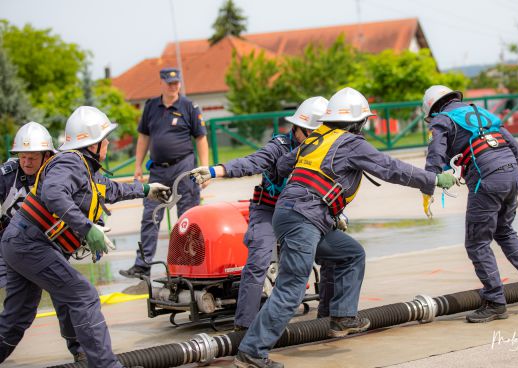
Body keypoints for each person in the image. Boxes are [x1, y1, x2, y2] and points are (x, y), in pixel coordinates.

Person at [232, 87, 458, 368]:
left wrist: (297, 187)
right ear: (357, 122)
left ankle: (342, 317)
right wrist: (434, 180)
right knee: (290, 289)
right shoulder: (351, 143)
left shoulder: (315, 139)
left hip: (295, 214)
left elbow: (282, 164)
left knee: (351, 254)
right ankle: (251, 351)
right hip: (304, 218)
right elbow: (391, 168)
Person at [0, 106, 170, 367]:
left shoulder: (84, 169)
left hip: (21, 244)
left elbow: (110, 188)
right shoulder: (69, 162)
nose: (109, 144)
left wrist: (146, 189)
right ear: (94, 144)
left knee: (16, 319)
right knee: (83, 295)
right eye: (105, 140)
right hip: (29, 244)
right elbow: (54, 193)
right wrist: (87, 228)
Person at [191, 96, 339, 332]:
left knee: (334, 254)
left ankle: (327, 317)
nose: (313, 138)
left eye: (317, 132)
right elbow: (253, 162)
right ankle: (245, 326)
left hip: (304, 213)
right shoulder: (279, 146)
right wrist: (216, 170)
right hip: (268, 210)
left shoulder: (324, 147)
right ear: (296, 128)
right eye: (309, 132)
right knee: (258, 260)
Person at [421, 85, 518, 323]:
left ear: (433, 108)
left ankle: (495, 301)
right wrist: (509, 170)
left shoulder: (442, 120)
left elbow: (435, 155)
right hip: (512, 174)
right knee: (505, 230)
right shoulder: (481, 112)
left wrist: (430, 182)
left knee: (477, 242)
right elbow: (514, 146)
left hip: (488, 180)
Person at [0, 122, 86, 362]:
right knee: (17, 311)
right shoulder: (6, 175)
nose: (26, 162)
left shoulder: (59, 173)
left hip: (50, 246)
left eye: (32, 157)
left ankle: (79, 349)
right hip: (12, 247)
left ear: (47, 156)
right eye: (22, 157)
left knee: (67, 294)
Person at [120, 67, 209, 279]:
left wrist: (204, 168)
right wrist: (138, 166)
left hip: (183, 168)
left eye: (176, 82)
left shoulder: (189, 106)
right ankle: (142, 266)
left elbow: (201, 138)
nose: (174, 86)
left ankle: (189, 265)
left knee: (187, 218)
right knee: (150, 216)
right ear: (161, 83)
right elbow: (143, 137)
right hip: (158, 170)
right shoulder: (151, 106)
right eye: (170, 83)